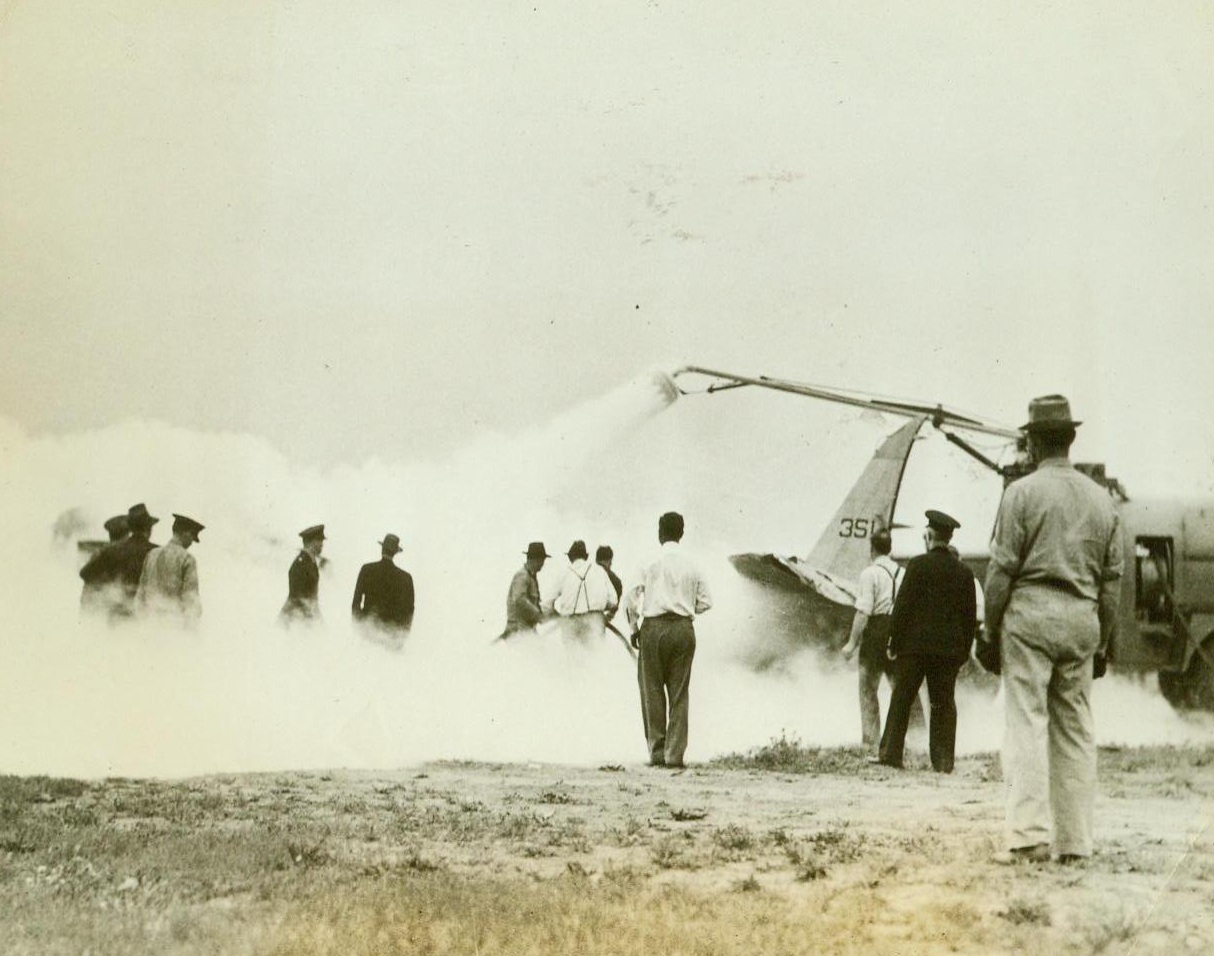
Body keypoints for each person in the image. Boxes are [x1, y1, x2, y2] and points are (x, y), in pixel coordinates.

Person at [984, 395, 1122, 865]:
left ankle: (1028, 837)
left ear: (1035, 440)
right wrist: (1103, 640)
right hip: (1082, 619)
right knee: (1076, 731)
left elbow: (1001, 572)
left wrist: (989, 629)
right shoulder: (1102, 499)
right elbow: (1112, 583)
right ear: (1070, 438)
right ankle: (1076, 843)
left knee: (1026, 724)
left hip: (1031, 617)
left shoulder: (1020, 494)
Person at [876, 510, 977, 772]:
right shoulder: (964, 573)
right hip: (948, 652)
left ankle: (890, 754)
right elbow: (969, 617)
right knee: (944, 703)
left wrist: (893, 641)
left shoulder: (917, 565)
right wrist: (963, 651)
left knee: (902, 697)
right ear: (949, 537)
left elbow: (902, 606)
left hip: (915, 648)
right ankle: (943, 762)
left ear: (929, 535)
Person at [634, 511, 712, 769]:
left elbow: (632, 596)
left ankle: (657, 752)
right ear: (681, 533)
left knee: (652, 690)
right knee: (679, 692)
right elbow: (706, 602)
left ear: (660, 532)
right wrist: (685, 611)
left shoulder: (648, 560)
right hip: (683, 628)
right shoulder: (693, 563)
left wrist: (634, 625)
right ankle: (674, 755)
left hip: (653, 627)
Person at [840, 529, 903, 756]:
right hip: (897, 636)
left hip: (875, 633)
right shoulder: (902, 573)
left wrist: (851, 643)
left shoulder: (869, 573)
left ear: (872, 549)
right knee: (899, 691)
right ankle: (897, 742)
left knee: (868, 690)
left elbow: (863, 612)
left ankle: (871, 743)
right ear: (890, 548)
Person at [77, 503, 160, 621]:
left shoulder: (110, 551)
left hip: (117, 616)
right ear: (149, 529)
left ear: (130, 528)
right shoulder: (158, 552)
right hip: (147, 616)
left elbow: (85, 574)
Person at [136, 514, 204, 623]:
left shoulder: (151, 554)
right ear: (185, 533)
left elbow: (139, 597)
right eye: (192, 537)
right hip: (173, 628)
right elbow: (191, 603)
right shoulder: (187, 559)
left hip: (149, 626)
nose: (192, 542)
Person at [551, 540, 619, 643]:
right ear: (586, 557)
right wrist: (598, 606)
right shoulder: (599, 571)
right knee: (595, 657)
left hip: (570, 623)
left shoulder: (563, 573)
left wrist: (557, 616)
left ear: (570, 557)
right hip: (594, 622)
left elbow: (546, 603)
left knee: (571, 657)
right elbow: (613, 601)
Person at [351, 533, 415, 636]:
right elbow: (409, 611)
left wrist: (359, 628)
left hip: (367, 632)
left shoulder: (367, 570)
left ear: (382, 549)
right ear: (395, 552)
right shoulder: (406, 578)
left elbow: (356, 602)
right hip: (392, 636)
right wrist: (402, 636)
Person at [498, 542, 550, 640]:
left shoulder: (531, 577)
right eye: (542, 560)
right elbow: (519, 599)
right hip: (518, 631)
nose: (543, 564)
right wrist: (538, 615)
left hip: (526, 630)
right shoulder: (522, 576)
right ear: (535, 560)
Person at [280, 524, 325, 625]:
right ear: (311, 542)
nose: (322, 545)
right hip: (295, 619)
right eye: (319, 541)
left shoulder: (311, 562)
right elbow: (298, 597)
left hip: (305, 617)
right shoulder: (301, 564)